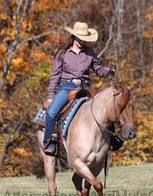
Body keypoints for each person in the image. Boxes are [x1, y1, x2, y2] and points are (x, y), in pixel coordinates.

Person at [43, 21, 115, 155]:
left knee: (106, 109)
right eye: (80, 38)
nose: (82, 41)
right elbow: (55, 76)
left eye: (84, 39)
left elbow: (99, 70)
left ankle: (112, 140)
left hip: (86, 88)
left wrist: (108, 71)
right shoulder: (63, 53)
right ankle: (49, 142)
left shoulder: (90, 53)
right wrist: (51, 96)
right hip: (67, 87)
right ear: (74, 37)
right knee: (51, 112)